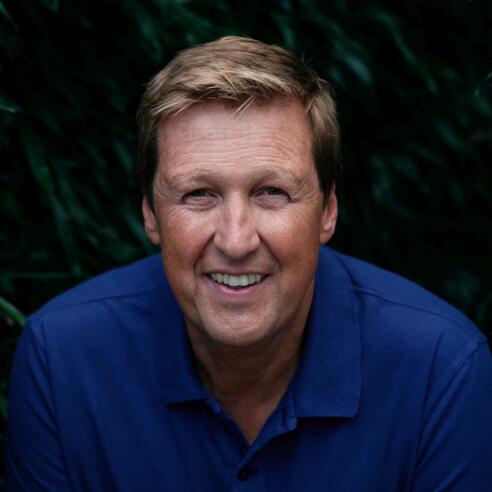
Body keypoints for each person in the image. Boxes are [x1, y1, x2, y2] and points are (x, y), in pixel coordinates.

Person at [6, 36, 492, 491]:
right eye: (199, 194)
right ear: (150, 214)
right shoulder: (61, 358)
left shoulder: (440, 368)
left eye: (271, 192)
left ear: (327, 211)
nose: (236, 241)